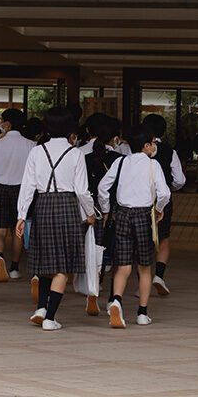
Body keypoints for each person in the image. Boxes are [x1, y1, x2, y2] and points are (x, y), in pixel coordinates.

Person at [15, 108, 95, 331]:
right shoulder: (76, 154)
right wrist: (90, 212)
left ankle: (41, 307)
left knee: (43, 259)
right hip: (67, 207)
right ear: (71, 129)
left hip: (42, 205)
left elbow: (27, 186)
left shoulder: (36, 152)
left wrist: (22, 215)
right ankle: (50, 317)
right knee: (62, 265)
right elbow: (82, 191)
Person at [97, 127, 172, 327]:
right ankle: (142, 312)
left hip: (122, 214)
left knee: (123, 265)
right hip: (143, 215)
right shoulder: (152, 165)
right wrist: (159, 209)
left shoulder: (120, 162)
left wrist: (105, 209)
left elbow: (103, 188)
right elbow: (164, 193)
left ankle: (117, 301)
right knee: (145, 266)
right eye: (154, 143)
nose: (155, 147)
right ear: (146, 146)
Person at [80, 114, 122, 317]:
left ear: (88, 131)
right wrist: (108, 211)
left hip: (87, 208)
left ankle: (91, 286)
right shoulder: (119, 159)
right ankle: (105, 286)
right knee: (110, 250)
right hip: (111, 210)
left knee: (90, 247)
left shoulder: (79, 154)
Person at [142, 114, 187, 294]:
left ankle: (141, 282)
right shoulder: (170, 151)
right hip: (163, 199)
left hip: (140, 200)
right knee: (164, 238)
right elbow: (180, 180)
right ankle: (159, 275)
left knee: (142, 240)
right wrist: (170, 188)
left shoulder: (137, 150)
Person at [0, 108, 32, 282]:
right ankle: (14, 268)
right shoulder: (30, 145)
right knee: (17, 229)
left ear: (8, 124)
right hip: (21, 188)